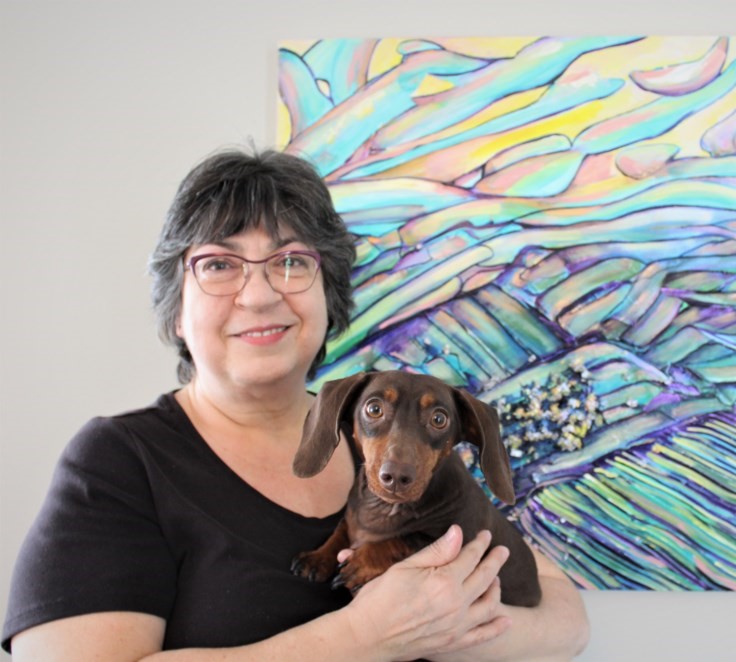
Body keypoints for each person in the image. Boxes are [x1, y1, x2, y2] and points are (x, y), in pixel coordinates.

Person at [2, 147, 590, 660]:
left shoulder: (389, 433)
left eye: (290, 262)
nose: (258, 294)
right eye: (218, 265)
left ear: (328, 299)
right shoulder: (120, 463)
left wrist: (453, 634)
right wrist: (365, 636)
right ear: (177, 311)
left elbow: (565, 619)